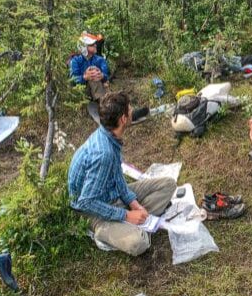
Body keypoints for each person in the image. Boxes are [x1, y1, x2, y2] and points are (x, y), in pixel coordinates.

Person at [68, 91, 176, 256]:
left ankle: (131, 223)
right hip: (92, 212)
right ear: (123, 119)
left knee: (168, 185)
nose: (132, 110)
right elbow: (85, 202)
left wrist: (134, 204)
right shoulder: (103, 154)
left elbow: (117, 177)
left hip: (111, 194)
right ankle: (104, 231)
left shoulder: (109, 137)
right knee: (140, 243)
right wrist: (126, 215)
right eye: (129, 108)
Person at [69, 31, 111, 102]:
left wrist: (102, 75)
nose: (95, 45)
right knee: (92, 72)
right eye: (91, 45)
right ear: (84, 47)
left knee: (94, 72)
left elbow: (107, 75)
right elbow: (73, 80)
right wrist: (85, 77)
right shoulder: (75, 61)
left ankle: (104, 101)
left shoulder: (100, 59)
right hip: (83, 90)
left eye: (94, 44)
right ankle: (103, 103)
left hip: (100, 87)